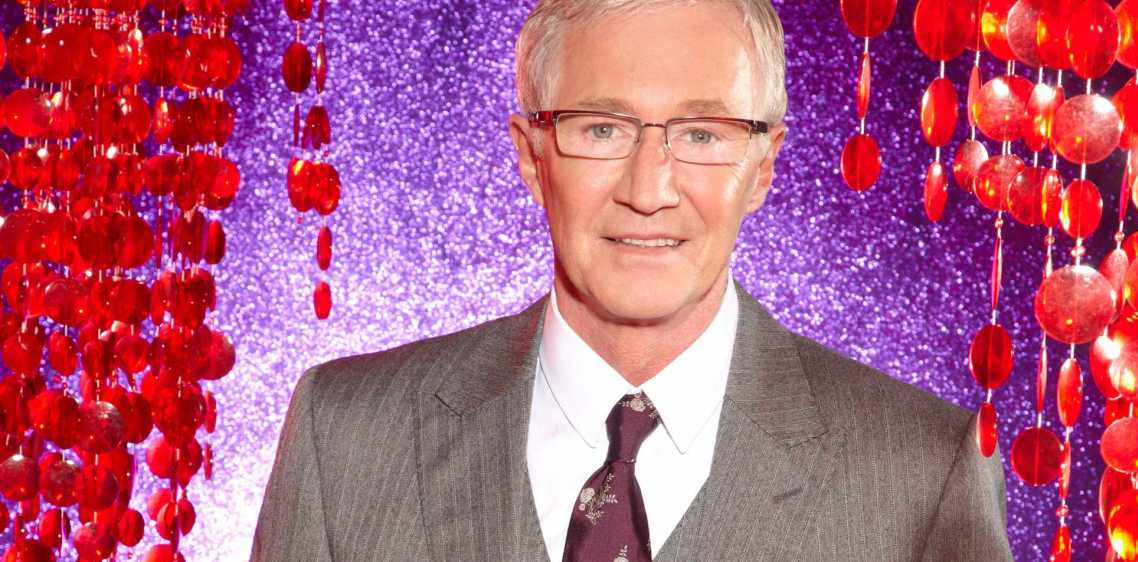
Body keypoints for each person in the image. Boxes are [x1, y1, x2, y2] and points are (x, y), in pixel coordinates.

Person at [250, 1, 1013, 560]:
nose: (649, 190)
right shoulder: (345, 435)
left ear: (763, 168)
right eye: (602, 128)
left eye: (703, 133)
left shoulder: (921, 470)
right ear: (531, 156)